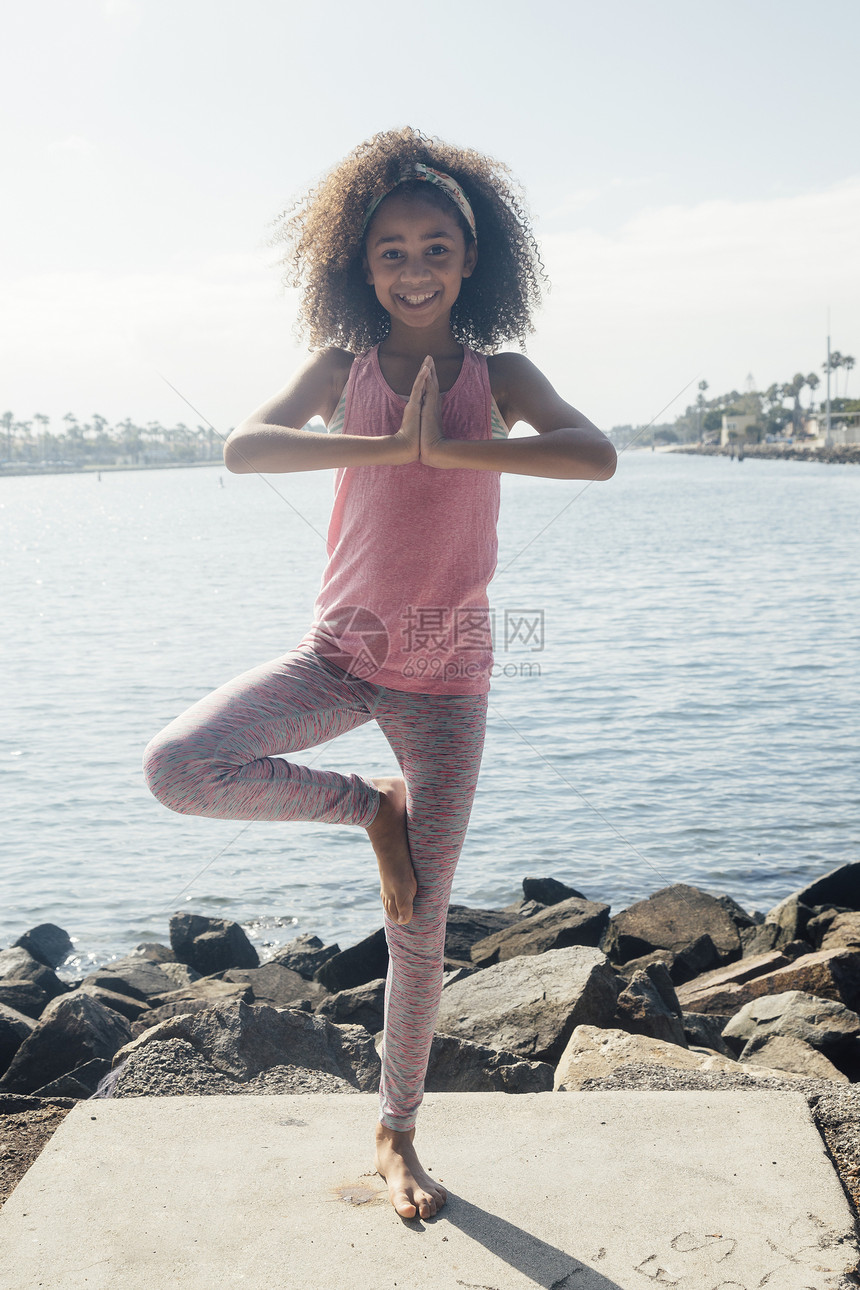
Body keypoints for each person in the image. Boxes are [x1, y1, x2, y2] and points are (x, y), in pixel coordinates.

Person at [142, 127, 616, 1221]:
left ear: (470, 260)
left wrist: (450, 449)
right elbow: (245, 448)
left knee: (422, 925)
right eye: (392, 250)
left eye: (435, 247)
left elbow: (591, 454)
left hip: (446, 676)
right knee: (178, 764)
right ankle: (369, 809)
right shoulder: (342, 369)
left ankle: (396, 1134)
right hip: (339, 651)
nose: (414, 268)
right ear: (361, 266)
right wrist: (378, 447)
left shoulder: (498, 375)